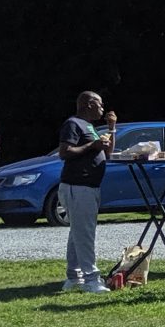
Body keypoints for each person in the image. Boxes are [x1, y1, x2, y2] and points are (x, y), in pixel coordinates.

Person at [56, 92, 114, 294]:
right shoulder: (73, 124)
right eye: (99, 104)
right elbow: (64, 152)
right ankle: (92, 280)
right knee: (85, 234)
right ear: (89, 104)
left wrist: (110, 131)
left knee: (78, 232)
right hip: (77, 186)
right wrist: (92, 145)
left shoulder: (89, 126)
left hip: (88, 186)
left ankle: (73, 277)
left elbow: (107, 153)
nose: (102, 108)